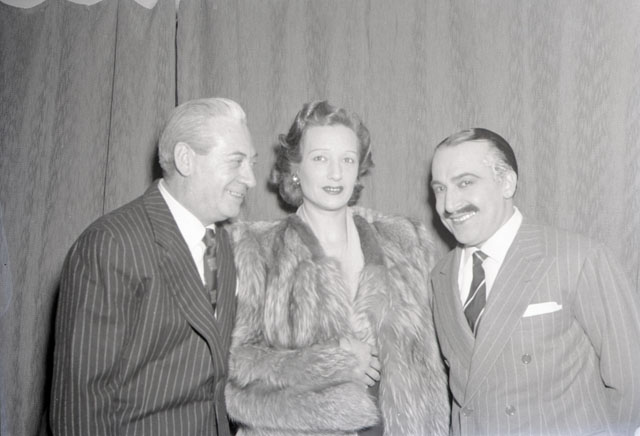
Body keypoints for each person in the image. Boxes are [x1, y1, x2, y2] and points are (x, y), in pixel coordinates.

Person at [224, 101, 450, 435]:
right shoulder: (257, 249)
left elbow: (433, 363)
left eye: (347, 159)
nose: (336, 173)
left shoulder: (405, 243)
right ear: (295, 168)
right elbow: (236, 371)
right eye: (320, 158)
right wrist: (332, 365)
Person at [50, 98, 257, 436]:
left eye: (251, 162)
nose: (250, 178)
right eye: (236, 162)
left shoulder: (223, 242)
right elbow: (80, 405)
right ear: (186, 159)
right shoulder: (111, 244)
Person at [429, 128, 640, 435]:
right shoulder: (440, 276)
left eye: (465, 183)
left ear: (507, 182)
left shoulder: (578, 258)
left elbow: (632, 380)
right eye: (439, 188)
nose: (448, 204)